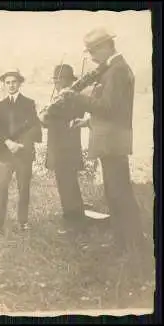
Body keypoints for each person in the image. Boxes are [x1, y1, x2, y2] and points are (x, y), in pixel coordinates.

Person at [57, 28, 147, 255]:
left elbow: (108, 108)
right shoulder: (113, 69)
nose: (91, 57)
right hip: (112, 140)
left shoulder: (116, 71)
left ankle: (131, 244)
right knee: (115, 191)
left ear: (105, 47)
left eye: (92, 51)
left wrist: (76, 96)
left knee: (119, 192)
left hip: (112, 142)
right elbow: (113, 111)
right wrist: (87, 123)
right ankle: (124, 242)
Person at [39, 64, 90, 230]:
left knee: (67, 185)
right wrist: (49, 109)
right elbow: (47, 122)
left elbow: (47, 120)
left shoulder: (71, 98)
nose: (56, 83)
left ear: (68, 81)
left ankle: (74, 222)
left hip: (65, 148)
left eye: (59, 79)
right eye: (55, 79)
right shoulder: (61, 99)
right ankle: (74, 218)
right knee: (66, 184)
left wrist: (47, 111)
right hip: (60, 147)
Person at [0, 68, 42, 234]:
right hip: (6, 153)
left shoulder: (29, 103)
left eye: (14, 82)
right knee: (2, 187)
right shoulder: (0, 106)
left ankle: (23, 222)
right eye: (8, 82)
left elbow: (35, 127)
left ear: (19, 83)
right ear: (4, 85)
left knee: (23, 188)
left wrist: (22, 144)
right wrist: (8, 142)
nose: (11, 85)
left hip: (23, 153)